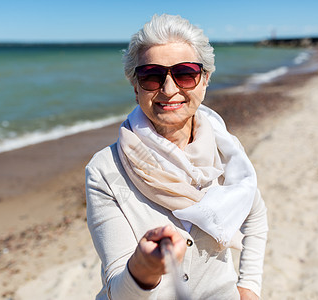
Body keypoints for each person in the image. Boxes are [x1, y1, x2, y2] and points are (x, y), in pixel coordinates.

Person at [85, 14, 268, 300]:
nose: (169, 90)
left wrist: (249, 287)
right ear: (135, 87)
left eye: (185, 73)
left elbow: (255, 214)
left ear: (205, 80)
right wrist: (143, 269)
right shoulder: (105, 170)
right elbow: (117, 292)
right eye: (151, 76)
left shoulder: (226, 151)